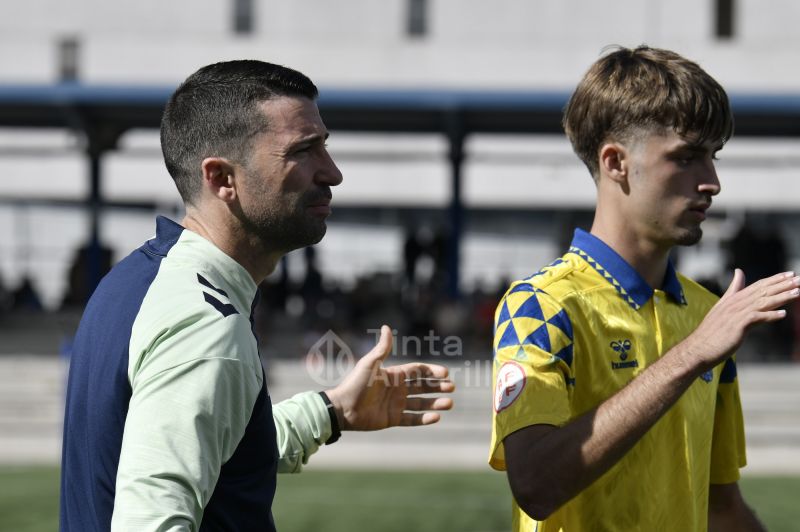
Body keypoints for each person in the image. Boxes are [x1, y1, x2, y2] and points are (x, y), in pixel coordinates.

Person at [60, 60, 454, 532]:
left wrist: (331, 412)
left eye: (324, 146)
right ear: (222, 178)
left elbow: (217, 448)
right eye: (303, 151)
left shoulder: (139, 279)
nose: (332, 173)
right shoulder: (204, 324)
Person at [489, 45, 800, 532]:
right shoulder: (541, 304)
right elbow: (535, 485)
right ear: (615, 161)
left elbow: (722, 509)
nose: (712, 182)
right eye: (687, 158)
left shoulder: (709, 315)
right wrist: (693, 353)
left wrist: (702, 344)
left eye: (713, 158)